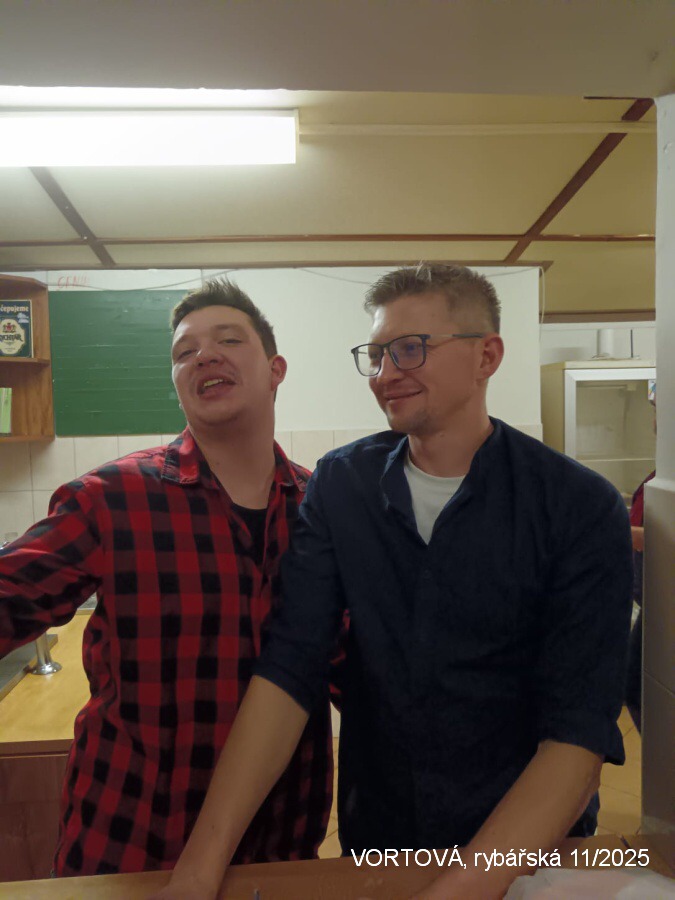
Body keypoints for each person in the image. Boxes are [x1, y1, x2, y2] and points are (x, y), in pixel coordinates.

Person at [159, 264, 633, 900]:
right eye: (377, 354)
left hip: (530, 849)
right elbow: (290, 668)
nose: (385, 373)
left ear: (486, 355)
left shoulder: (577, 506)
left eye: (410, 349)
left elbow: (577, 734)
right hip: (382, 840)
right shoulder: (343, 485)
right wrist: (197, 872)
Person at [0, 279, 333, 877]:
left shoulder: (324, 510)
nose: (204, 355)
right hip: (130, 841)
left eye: (229, 340)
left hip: (280, 842)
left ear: (275, 370)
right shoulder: (110, 498)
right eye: (185, 352)